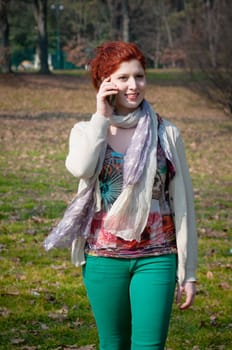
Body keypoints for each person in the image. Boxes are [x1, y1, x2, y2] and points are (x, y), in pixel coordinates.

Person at [44, 41, 197, 350]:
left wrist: (188, 272)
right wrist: (101, 116)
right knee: (113, 344)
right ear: (105, 81)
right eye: (123, 77)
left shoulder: (166, 133)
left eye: (139, 76)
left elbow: (183, 206)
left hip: (157, 257)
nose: (133, 85)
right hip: (103, 258)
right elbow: (82, 168)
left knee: (148, 346)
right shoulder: (86, 131)